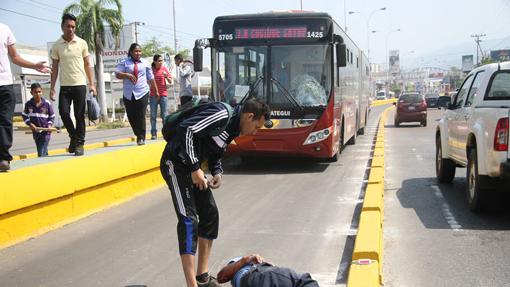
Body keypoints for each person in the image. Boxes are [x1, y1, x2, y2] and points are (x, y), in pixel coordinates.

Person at [160, 98, 270, 287]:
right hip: (176, 165)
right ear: (249, 116)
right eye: (256, 127)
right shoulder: (222, 113)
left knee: (210, 215)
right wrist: (195, 169)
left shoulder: (235, 126)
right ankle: (191, 284)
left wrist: (217, 170)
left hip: (195, 170)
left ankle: (202, 277)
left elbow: (215, 149)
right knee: (189, 220)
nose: (255, 132)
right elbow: (187, 130)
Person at [0, 22, 50, 171]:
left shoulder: (4, 28)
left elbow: (15, 57)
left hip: (5, 84)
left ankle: (3, 158)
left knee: (4, 122)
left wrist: (34, 66)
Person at [115, 43, 159, 145]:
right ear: (131, 52)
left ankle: (141, 137)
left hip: (142, 91)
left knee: (141, 115)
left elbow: (151, 77)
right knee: (131, 116)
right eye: (135, 51)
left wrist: (156, 90)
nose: (138, 53)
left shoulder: (145, 63)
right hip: (128, 93)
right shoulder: (125, 62)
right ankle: (137, 133)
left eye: (139, 51)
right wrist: (126, 75)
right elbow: (117, 74)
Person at [217, 254, 320, 287]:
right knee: (300, 281)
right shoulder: (238, 262)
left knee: (301, 281)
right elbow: (221, 277)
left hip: (264, 275)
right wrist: (246, 259)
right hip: (255, 277)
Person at [22, 83, 55, 157]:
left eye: (39, 92)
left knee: (41, 152)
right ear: (31, 93)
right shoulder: (28, 104)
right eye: (35, 92)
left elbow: (52, 116)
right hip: (36, 132)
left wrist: (49, 125)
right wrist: (30, 124)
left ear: (42, 92)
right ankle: (46, 164)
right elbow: (24, 115)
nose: (38, 94)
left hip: (46, 132)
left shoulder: (46, 103)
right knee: (43, 151)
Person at [150, 54, 172, 140]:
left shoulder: (164, 69)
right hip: (153, 95)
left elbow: (170, 81)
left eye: (162, 61)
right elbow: (148, 81)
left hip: (163, 95)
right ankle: (154, 133)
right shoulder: (151, 70)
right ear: (155, 62)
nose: (161, 62)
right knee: (153, 115)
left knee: (165, 115)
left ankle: (165, 132)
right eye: (159, 61)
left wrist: (166, 76)